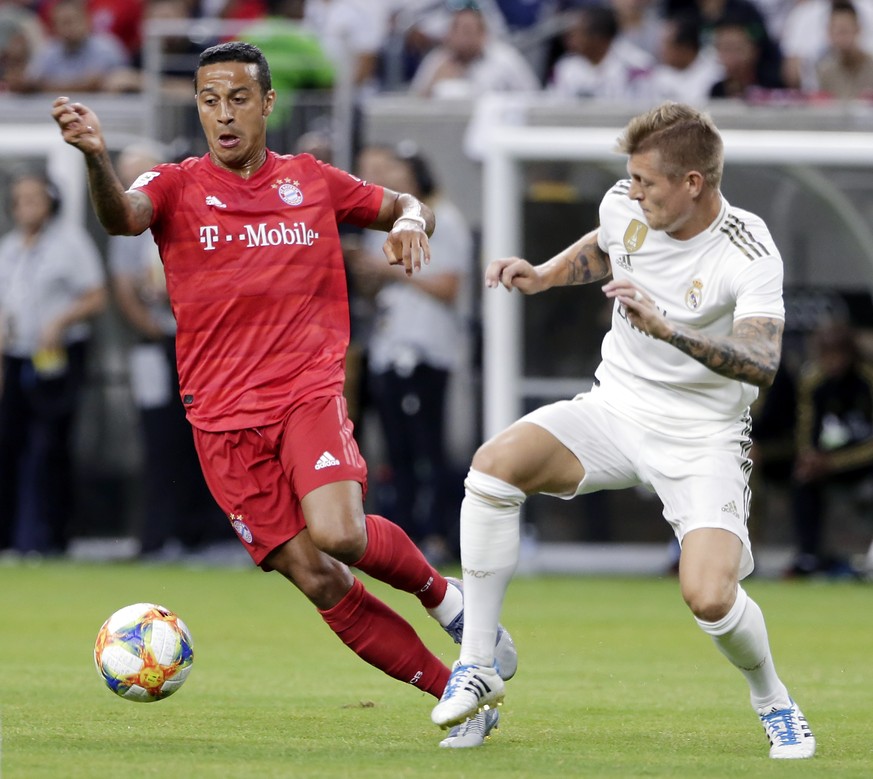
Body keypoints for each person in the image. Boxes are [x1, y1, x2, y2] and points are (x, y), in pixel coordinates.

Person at [51, 40, 516, 749]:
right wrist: (92, 157)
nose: (224, 115)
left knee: (339, 532)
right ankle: (457, 687)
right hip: (219, 421)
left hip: (304, 390)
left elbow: (402, 204)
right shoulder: (174, 183)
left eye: (239, 98)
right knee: (319, 578)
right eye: (210, 101)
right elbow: (123, 217)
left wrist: (412, 226)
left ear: (268, 104)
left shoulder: (311, 180)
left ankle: (445, 598)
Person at [430, 102, 816, 760]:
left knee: (709, 596)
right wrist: (546, 274)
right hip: (616, 407)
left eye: (646, 182)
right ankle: (479, 665)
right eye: (629, 178)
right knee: (494, 465)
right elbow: (607, 242)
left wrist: (670, 329)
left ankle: (773, 699)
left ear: (693, 183)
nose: (631, 192)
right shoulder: (625, 203)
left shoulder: (746, 247)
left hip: (701, 438)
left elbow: (762, 361)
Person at [349, 142, 473, 565]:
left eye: (400, 177)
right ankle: (402, 535)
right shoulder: (383, 224)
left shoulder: (447, 220)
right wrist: (365, 272)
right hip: (387, 346)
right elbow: (374, 285)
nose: (393, 186)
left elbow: (448, 286)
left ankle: (437, 535)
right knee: (395, 453)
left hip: (425, 350)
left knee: (428, 449)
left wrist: (390, 272)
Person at [107, 142, 231, 559]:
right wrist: (160, 334)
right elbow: (125, 289)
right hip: (158, 343)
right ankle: (158, 535)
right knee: (159, 439)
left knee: (210, 436)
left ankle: (208, 534)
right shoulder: (128, 225)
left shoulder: (198, 214)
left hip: (204, 346)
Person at [0, 171, 107, 554]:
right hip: (17, 354)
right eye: (20, 199)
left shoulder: (69, 243)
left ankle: (49, 537)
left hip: (57, 355)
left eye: (34, 198)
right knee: (10, 443)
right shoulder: (10, 247)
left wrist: (60, 320)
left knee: (49, 446)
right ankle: (12, 537)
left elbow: (95, 296)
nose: (26, 206)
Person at [784, 321, 873, 577]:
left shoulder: (867, 379)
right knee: (802, 478)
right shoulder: (814, 381)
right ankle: (809, 556)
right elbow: (805, 429)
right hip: (825, 464)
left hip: (862, 463)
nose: (832, 362)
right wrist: (808, 457)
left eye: (837, 355)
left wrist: (834, 462)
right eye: (826, 355)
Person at [409, 3, 540, 98]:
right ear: (450, 34)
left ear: (483, 34)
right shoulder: (437, 60)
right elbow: (412, 105)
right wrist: (434, 82)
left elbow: (533, 97)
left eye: (468, 31)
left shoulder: (505, 59)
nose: (464, 38)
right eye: (458, 30)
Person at [815, 0, 873, 100]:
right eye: (837, 32)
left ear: (857, 29)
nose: (842, 38)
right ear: (830, 34)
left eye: (845, 31)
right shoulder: (825, 72)